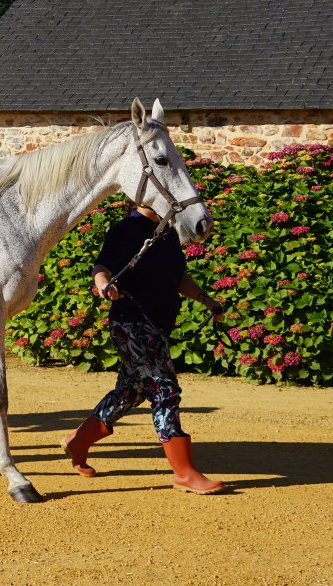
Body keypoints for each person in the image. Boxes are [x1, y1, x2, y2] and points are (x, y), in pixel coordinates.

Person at [61, 204, 227, 493]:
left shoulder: (169, 232)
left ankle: (79, 441)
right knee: (164, 388)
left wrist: (206, 300)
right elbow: (102, 267)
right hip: (131, 324)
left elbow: (179, 277)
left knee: (129, 392)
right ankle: (184, 472)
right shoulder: (125, 229)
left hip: (158, 326)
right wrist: (103, 283)